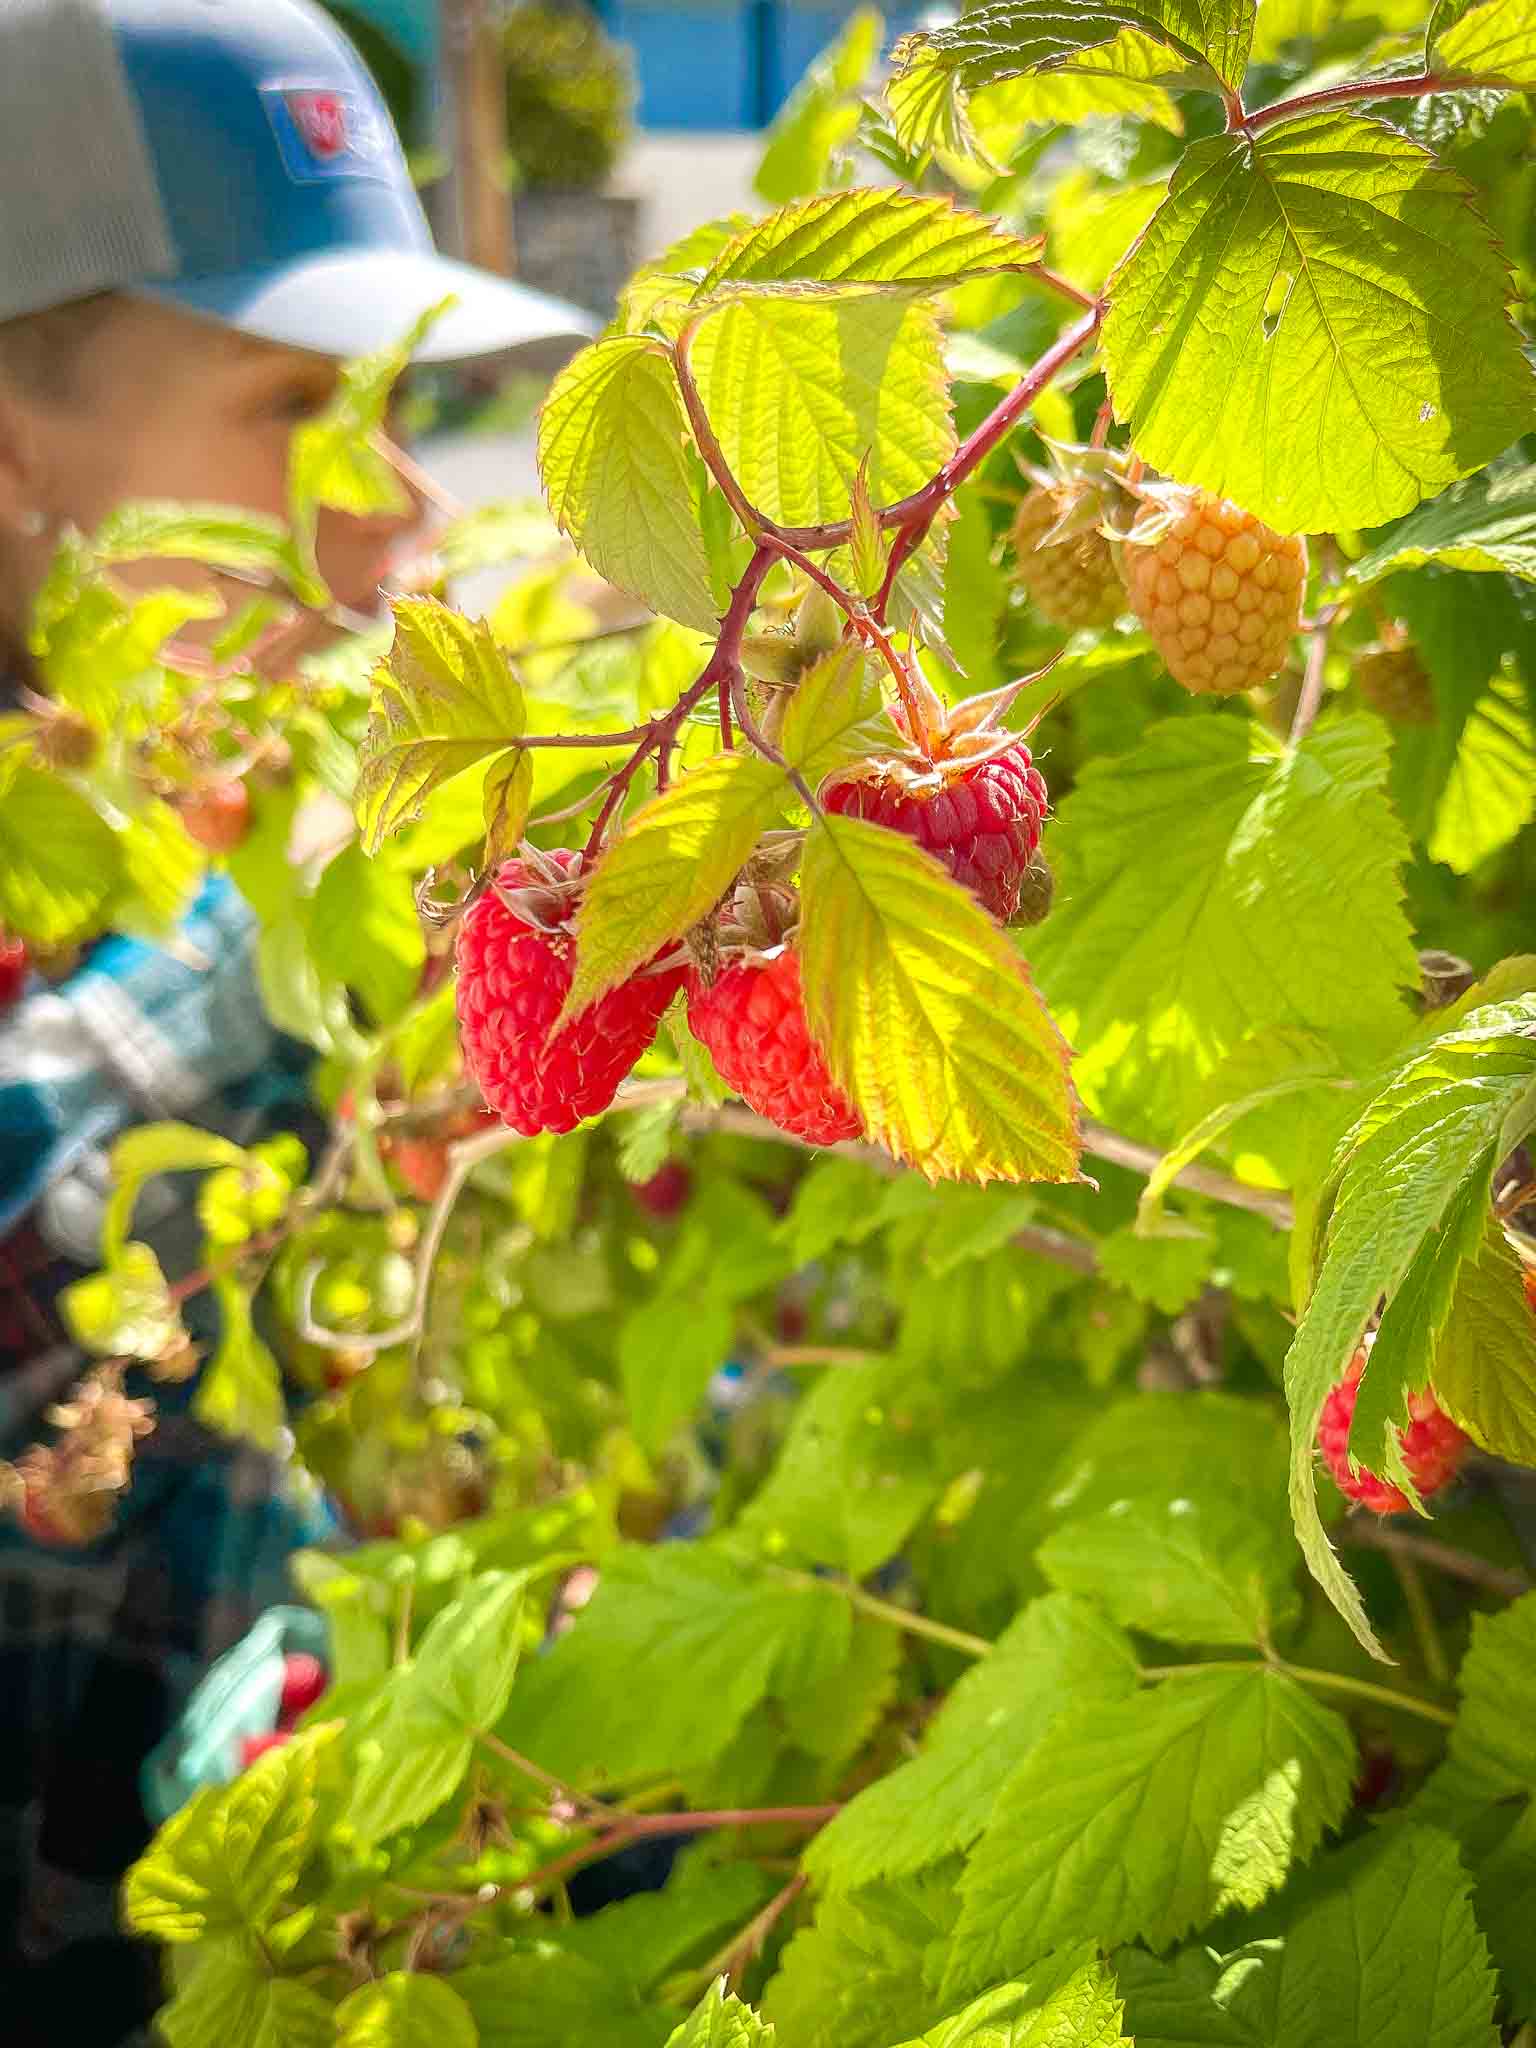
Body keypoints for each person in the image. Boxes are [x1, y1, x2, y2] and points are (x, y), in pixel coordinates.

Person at [0, 2, 591, 2037]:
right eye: (291, 409)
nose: (401, 518)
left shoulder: (165, 858)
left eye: (405, 421)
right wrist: (305, 946)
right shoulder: (210, 945)